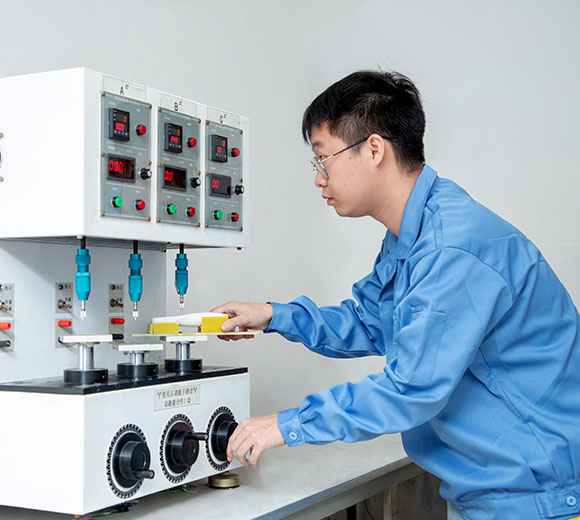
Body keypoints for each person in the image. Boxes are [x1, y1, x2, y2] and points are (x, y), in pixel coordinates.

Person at [211, 70, 580, 520]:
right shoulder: (414, 233)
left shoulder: (452, 247)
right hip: (488, 491)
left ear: (372, 149)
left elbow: (411, 389)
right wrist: (273, 315)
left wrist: (286, 425)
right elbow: (371, 321)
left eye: (322, 158)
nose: (318, 178)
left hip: (535, 501)